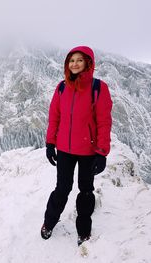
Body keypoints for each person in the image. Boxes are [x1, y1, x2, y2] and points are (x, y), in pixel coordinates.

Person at [41, 46, 112, 246]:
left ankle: (83, 231)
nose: (75, 64)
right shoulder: (62, 87)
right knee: (62, 188)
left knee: (86, 190)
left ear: (88, 63)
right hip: (64, 149)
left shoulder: (98, 88)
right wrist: (50, 143)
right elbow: (54, 117)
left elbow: (104, 122)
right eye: (71, 60)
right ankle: (49, 222)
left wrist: (102, 152)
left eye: (79, 60)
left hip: (88, 151)